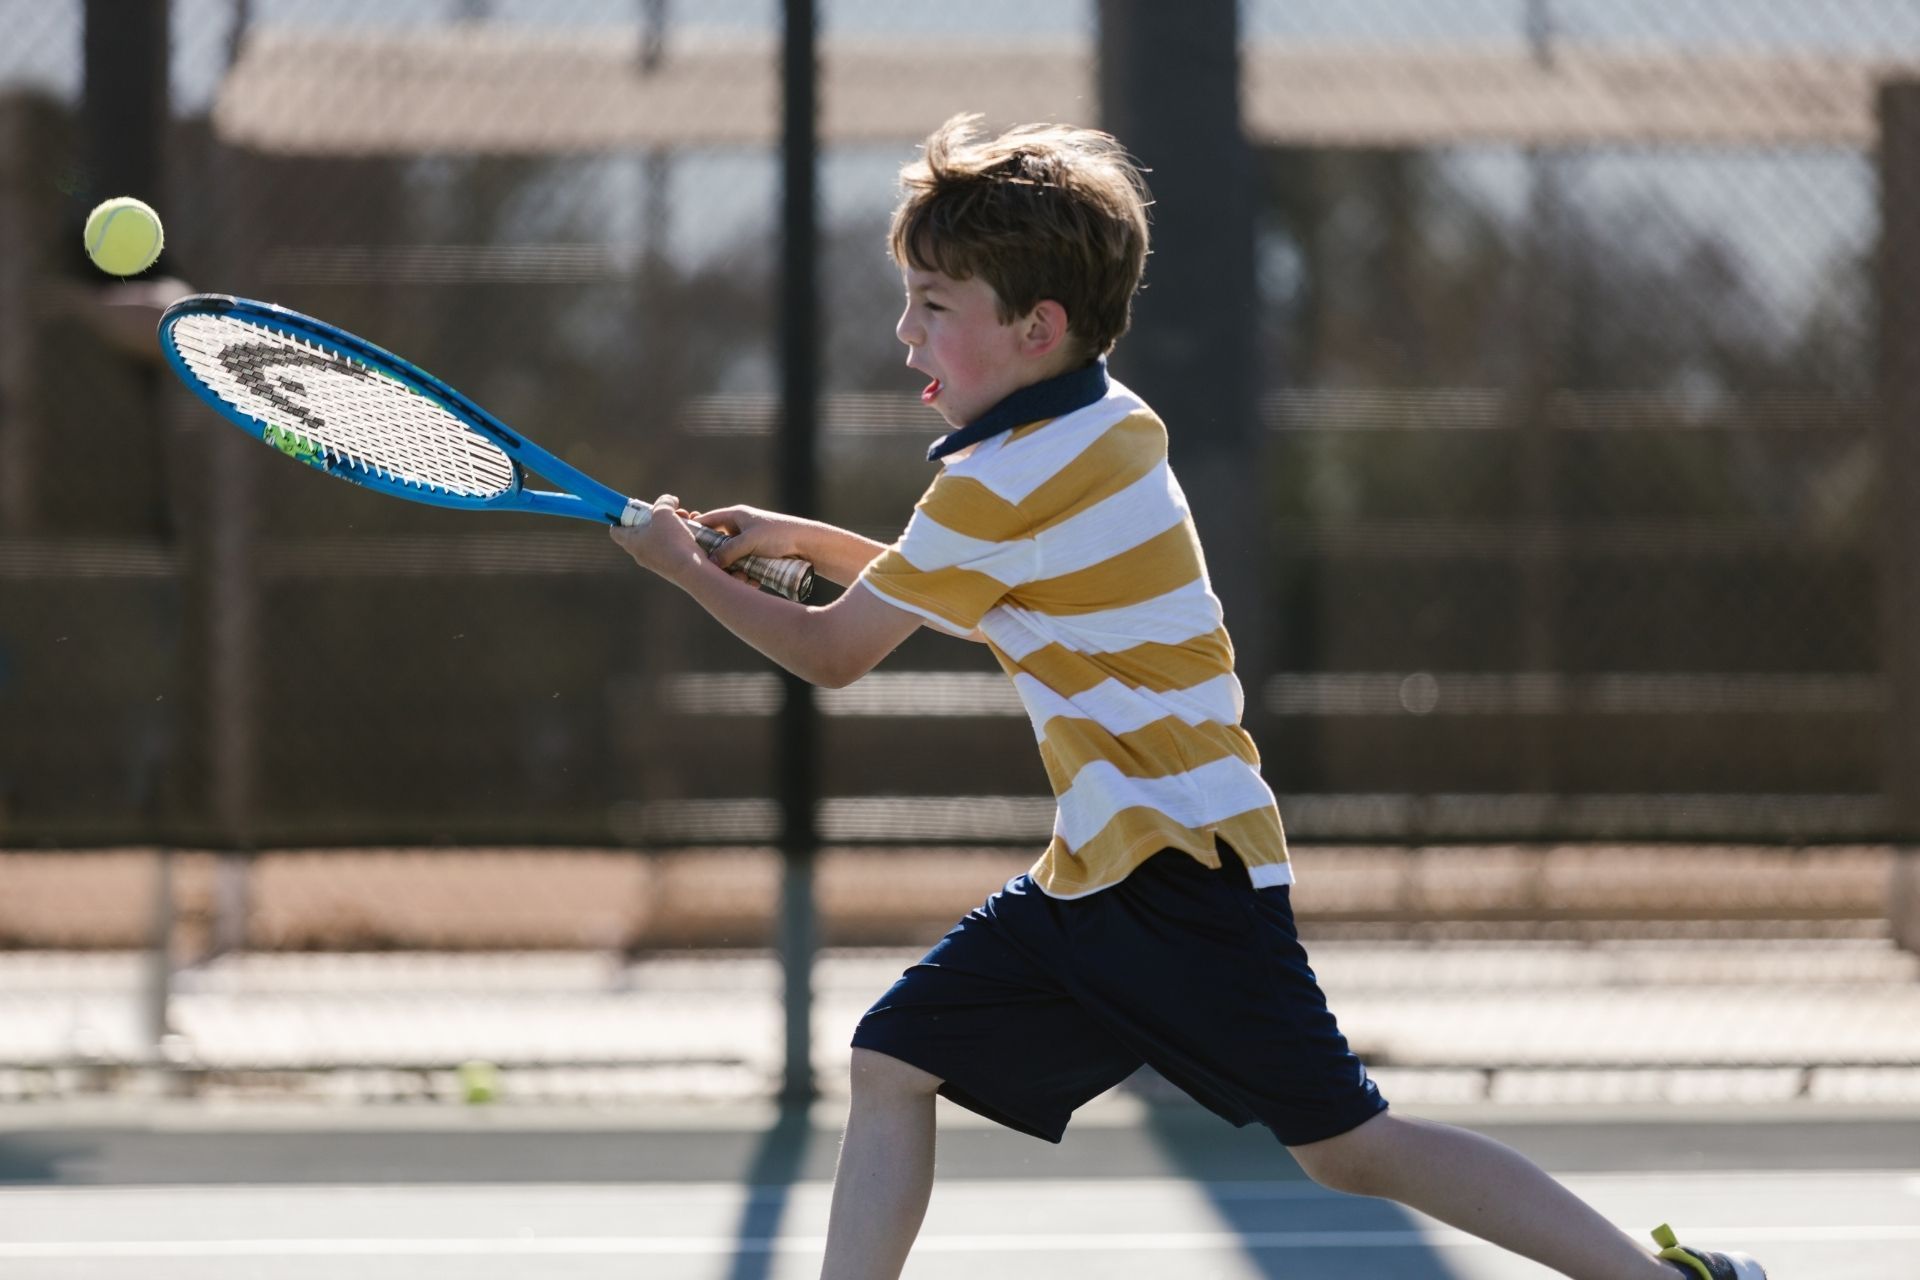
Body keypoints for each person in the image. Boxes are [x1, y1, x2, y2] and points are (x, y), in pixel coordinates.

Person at [610, 113, 1767, 1280]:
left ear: (1035, 326)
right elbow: (963, 588)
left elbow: (838, 653)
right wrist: (793, 536)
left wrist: (679, 572)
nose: (905, 331)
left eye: (933, 305)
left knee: (1353, 1148)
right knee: (893, 1058)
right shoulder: (1106, 430)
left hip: (1180, 879)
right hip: (1108, 873)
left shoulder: (995, 483)